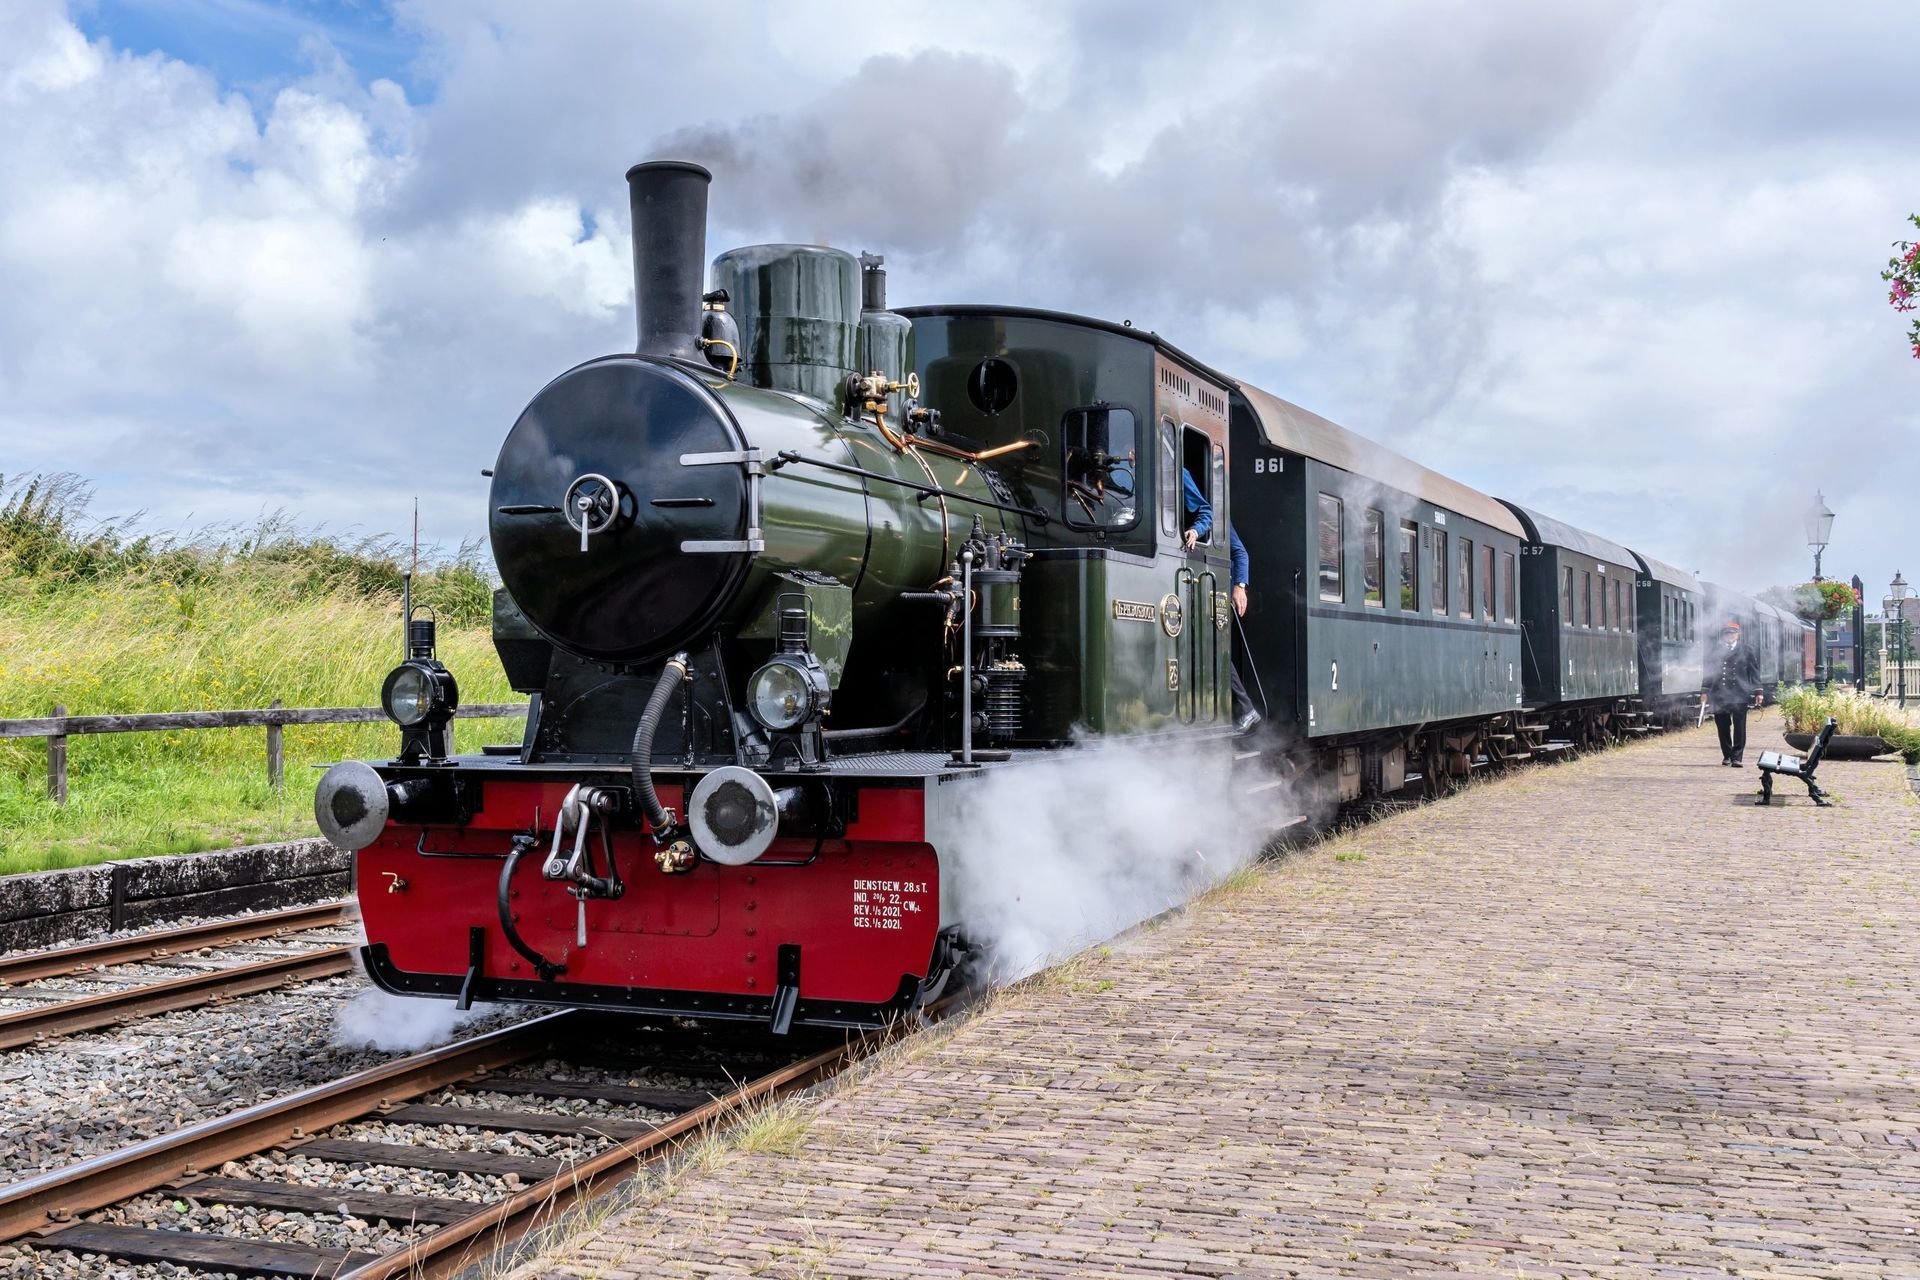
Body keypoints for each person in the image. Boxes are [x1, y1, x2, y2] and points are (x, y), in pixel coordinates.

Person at [1181, 470, 1260, 735]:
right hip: (1192, 584)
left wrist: (1240, 586)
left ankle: (1245, 707)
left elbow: (1239, 551)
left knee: (1214, 648)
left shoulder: (1178, 475)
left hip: (1207, 586)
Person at [1706, 619, 1762, 766]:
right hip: (1720, 693)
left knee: (1740, 727)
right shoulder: (1715, 650)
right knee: (1722, 726)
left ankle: (1737, 757)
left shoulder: (1747, 649)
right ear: (1723, 635)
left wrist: (1758, 691)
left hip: (1739, 693)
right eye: (1727, 633)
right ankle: (1727, 755)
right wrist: (1704, 691)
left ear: (1738, 634)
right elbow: (1708, 672)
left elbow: (1754, 671)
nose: (1730, 635)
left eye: (1733, 633)